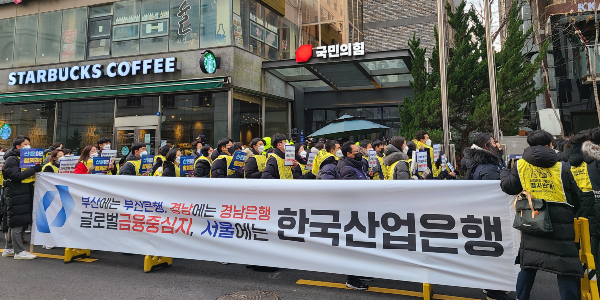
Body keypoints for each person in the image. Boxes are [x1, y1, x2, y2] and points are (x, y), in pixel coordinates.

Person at [500, 130, 582, 300]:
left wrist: (505, 173)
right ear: (550, 145)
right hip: (562, 222)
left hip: (533, 218)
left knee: (529, 264)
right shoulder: (562, 166)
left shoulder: (521, 165)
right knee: (565, 267)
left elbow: (509, 187)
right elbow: (577, 197)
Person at [335, 141, 370, 290]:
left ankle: (358, 271)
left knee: (359, 244)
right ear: (348, 154)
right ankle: (352, 279)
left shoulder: (355, 166)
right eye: (357, 152)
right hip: (352, 213)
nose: (360, 154)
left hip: (359, 211)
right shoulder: (346, 169)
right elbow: (353, 190)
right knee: (353, 245)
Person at [2, 135, 43, 259]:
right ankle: (19, 251)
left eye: (29, 143)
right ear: (18, 146)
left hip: (23, 192)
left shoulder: (23, 158)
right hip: (16, 192)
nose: (28, 146)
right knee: (17, 222)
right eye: (25, 144)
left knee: (15, 221)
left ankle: (9, 248)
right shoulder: (12, 159)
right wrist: (33, 170)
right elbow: (16, 176)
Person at [573, 130, 600, 277]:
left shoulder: (575, 161)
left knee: (592, 239)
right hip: (591, 199)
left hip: (585, 200)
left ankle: (591, 273)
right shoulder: (590, 161)